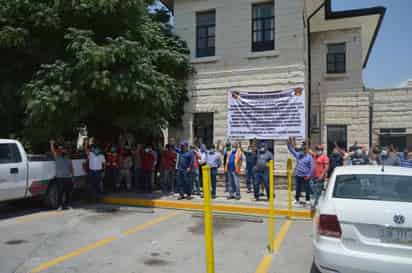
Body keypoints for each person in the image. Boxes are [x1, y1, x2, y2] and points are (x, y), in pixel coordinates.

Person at [287, 137, 314, 206]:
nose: (302, 151)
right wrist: (289, 144)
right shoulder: (298, 155)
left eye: (304, 150)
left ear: (306, 150)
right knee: (298, 188)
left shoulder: (309, 157)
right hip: (298, 175)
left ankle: (307, 200)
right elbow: (292, 150)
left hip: (305, 176)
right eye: (302, 149)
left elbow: (311, 168)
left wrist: (309, 175)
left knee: (307, 189)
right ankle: (297, 199)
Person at [50, 140, 74, 210]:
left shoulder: (68, 158)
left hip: (68, 178)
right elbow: (53, 151)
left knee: (68, 193)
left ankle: (67, 205)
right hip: (59, 178)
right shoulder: (57, 157)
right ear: (59, 151)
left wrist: (72, 177)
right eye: (60, 150)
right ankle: (59, 206)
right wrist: (51, 144)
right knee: (60, 193)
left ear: (65, 151)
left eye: (63, 150)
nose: (62, 151)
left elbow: (71, 168)